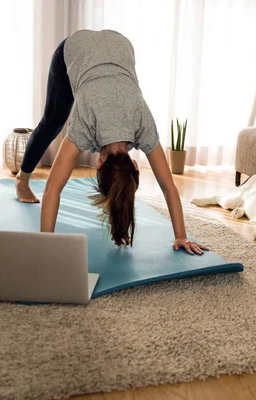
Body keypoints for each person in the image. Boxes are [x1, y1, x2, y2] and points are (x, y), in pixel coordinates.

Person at [15, 29, 207, 255]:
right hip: (75, 48)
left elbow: (169, 187)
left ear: (135, 165)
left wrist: (181, 235)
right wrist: (180, 236)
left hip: (119, 42)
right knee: (52, 124)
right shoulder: (87, 123)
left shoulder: (142, 124)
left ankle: (23, 178)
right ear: (98, 166)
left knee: (59, 123)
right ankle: (22, 180)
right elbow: (52, 188)